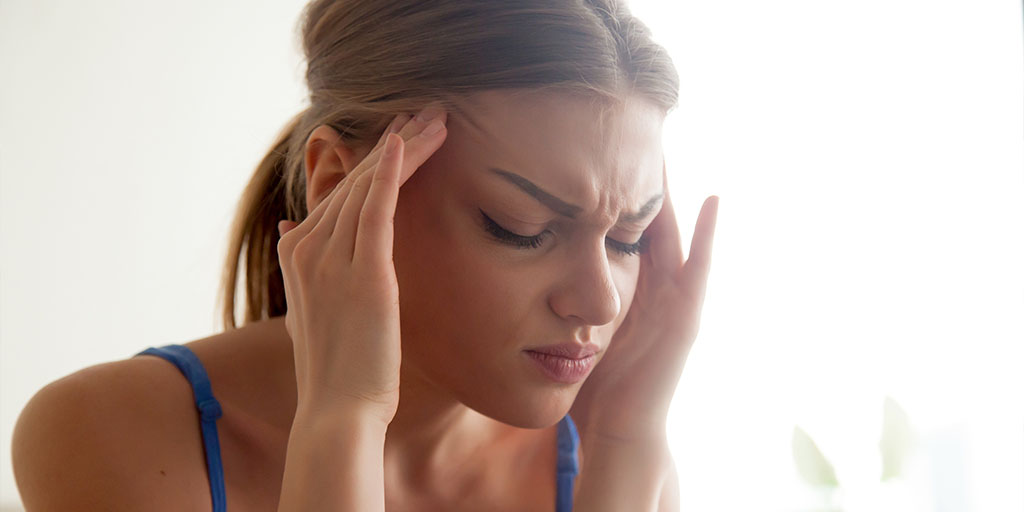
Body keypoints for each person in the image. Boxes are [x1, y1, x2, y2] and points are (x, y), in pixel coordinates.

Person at [11, 0, 718, 510]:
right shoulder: (112, 435)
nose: (600, 302)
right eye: (520, 225)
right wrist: (343, 421)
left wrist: (627, 435)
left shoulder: (611, 456)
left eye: (627, 238)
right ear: (336, 183)